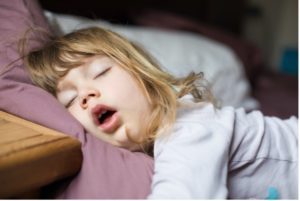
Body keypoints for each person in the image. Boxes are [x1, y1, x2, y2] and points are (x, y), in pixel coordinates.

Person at [24, 26, 298, 199]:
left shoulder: (187, 125)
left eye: (101, 72)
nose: (85, 95)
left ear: (143, 76)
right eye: (71, 100)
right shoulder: (141, 152)